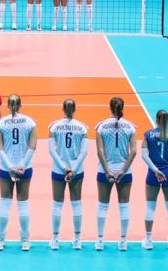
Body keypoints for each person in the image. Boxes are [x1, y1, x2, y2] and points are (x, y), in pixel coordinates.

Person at [0, 94, 37, 251]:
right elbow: (32, 146)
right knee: (23, 202)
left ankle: (0, 239)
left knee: (5, 202)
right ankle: (25, 240)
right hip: (25, 169)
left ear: (7, 105)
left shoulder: (0, 123)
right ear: (20, 105)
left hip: (6, 169)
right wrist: (22, 165)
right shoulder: (30, 122)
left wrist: (9, 167)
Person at [95, 97, 137, 251]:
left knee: (102, 205)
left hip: (104, 171)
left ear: (110, 108)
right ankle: (123, 241)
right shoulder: (131, 127)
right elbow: (133, 151)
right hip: (124, 172)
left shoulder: (101, 126)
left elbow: (100, 151)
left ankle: (100, 241)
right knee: (124, 205)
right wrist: (123, 170)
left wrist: (107, 171)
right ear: (122, 107)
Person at [48, 98, 89, 250]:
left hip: (59, 170)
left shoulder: (54, 127)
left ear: (63, 109)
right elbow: (84, 152)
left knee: (57, 204)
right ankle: (77, 240)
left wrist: (64, 167)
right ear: (75, 109)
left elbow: (52, 151)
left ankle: (55, 240)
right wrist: (73, 169)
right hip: (77, 171)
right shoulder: (82, 128)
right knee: (76, 203)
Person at [140, 109, 168, 251]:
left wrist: (155, 170)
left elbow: (144, 156)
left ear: (156, 119)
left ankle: (148, 240)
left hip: (153, 174)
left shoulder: (148, 135)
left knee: (150, 207)